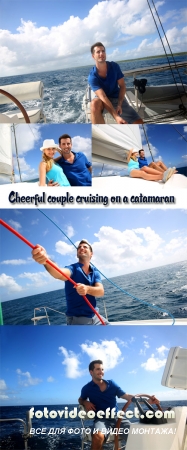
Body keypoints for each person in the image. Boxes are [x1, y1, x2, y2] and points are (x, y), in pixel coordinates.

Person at [79, 360, 160, 450]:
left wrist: (148, 400)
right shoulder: (86, 388)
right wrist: (85, 402)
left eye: (102, 369)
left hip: (118, 419)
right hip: (102, 420)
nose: (101, 372)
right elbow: (80, 399)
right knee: (97, 437)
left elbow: (127, 396)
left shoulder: (112, 384)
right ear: (91, 372)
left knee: (137, 436)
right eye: (98, 369)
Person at [32, 239, 108, 325]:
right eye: (79, 247)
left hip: (96, 316)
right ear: (77, 254)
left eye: (85, 247)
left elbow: (100, 291)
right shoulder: (73, 269)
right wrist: (46, 260)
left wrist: (87, 289)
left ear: (91, 253)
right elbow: (59, 273)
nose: (81, 248)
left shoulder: (95, 271)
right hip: (78, 320)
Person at [88, 42, 143, 125]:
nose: (101, 53)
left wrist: (119, 104)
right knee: (94, 104)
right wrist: (116, 117)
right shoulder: (92, 77)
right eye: (98, 52)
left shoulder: (114, 66)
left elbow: (122, 86)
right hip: (102, 100)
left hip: (116, 98)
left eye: (103, 51)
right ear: (93, 56)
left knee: (139, 122)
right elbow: (103, 97)